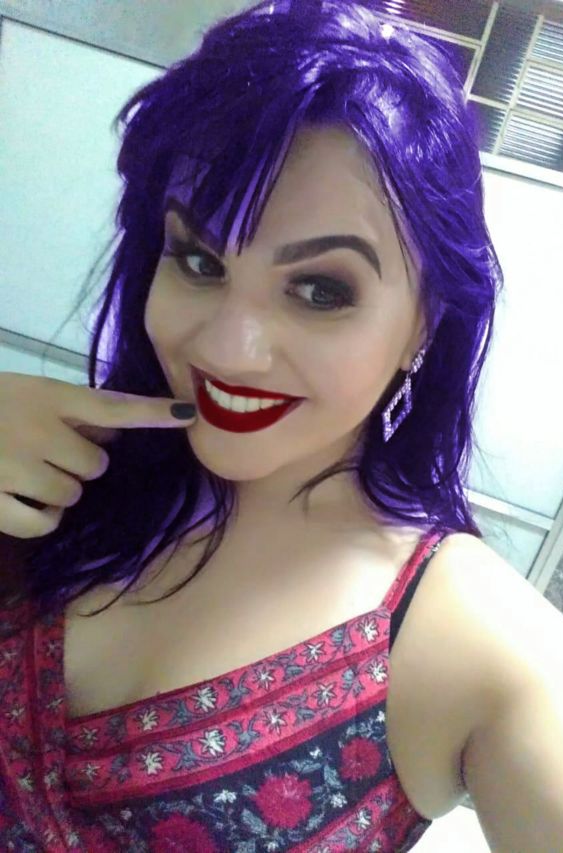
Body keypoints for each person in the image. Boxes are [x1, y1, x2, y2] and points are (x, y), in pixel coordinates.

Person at [0, 1, 504, 849]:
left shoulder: (459, 631)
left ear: (425, 320)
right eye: (198, 260)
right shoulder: (66, 471)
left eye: (321, 290)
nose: (228, 349)